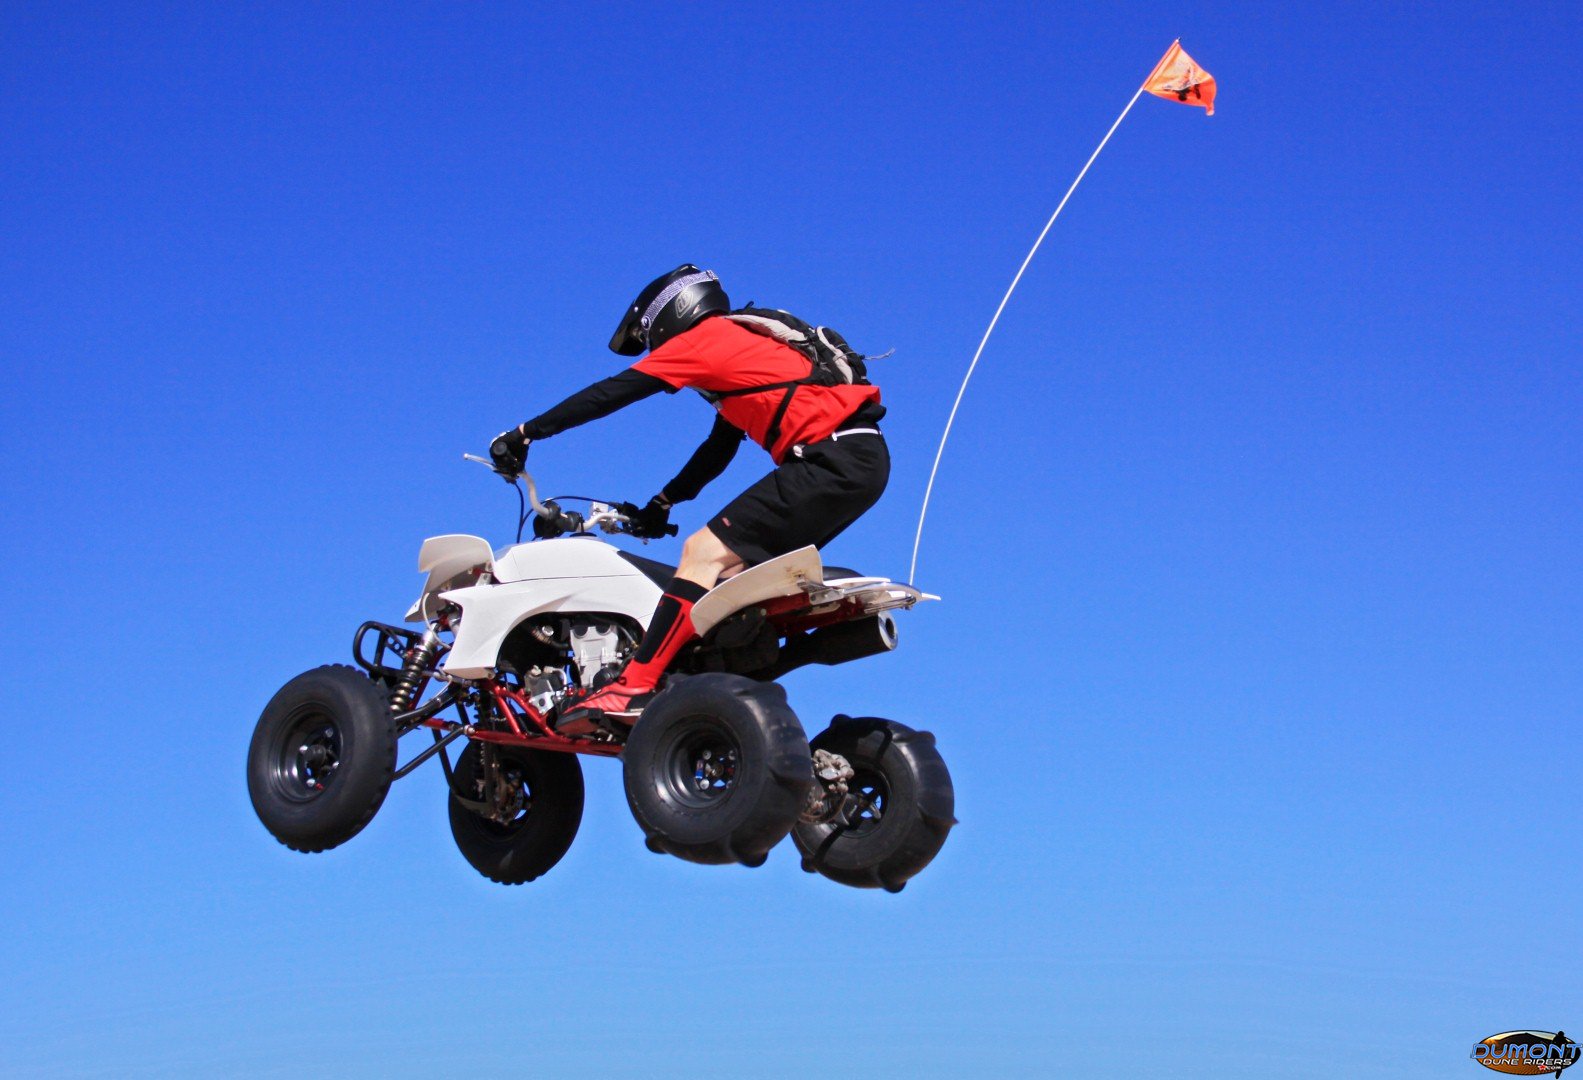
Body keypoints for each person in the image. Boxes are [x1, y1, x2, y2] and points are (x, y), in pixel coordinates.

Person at [488, 264, 889, 725]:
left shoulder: (704, 340)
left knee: (702, 553)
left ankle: (633, 686)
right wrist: (663, 503)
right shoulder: (740, 349)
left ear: (668, 315)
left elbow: (611, 393)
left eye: (649, 336)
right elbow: (718, 449)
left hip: (828, 459)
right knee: (732, 587)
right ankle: (706, 694)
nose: (654, 348)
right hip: (862, 462)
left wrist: (525, 433)